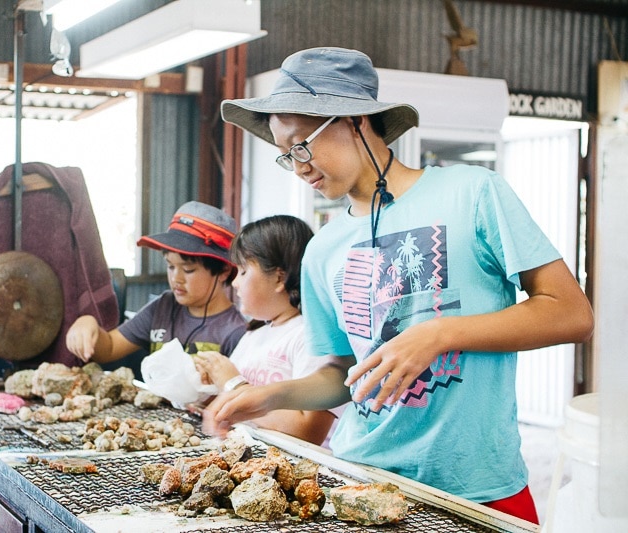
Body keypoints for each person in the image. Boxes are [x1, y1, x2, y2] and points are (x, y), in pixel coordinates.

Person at [203, 47, 594, 525]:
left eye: (302, 144)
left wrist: (440, 334)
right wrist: (271, 396)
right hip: (362, 479)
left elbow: (571, 313)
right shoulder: (324, 248)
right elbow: (345, 375)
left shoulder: (472, 193)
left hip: (475, 483)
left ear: (355, 121)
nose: (299, 165)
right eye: (286, 155)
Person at [193, 215, 342, 446]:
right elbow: (229, 399)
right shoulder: (253, 335)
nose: (235, 283)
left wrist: (234, 386)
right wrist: (206, 386)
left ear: (279, 277)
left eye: (243, 271)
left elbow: (308, 431)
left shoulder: (308, 335)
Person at [66, 201, 247, 364]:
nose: (176, 278)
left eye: (188, 270)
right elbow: (111, 347)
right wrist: (88, 325)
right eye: (170, 266)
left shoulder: (235, 333)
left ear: (223, 271)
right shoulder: (162, 308)